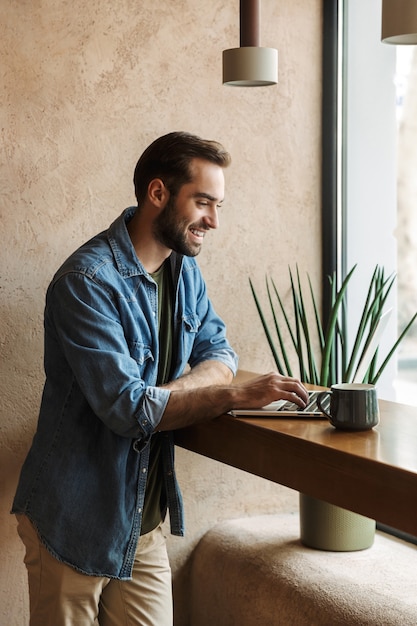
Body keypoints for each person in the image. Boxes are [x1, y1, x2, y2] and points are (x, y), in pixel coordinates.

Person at [12, 131, 308, 626]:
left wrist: (165, 395)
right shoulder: (85, 283)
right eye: (203, 202)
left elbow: (219, 352)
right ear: (157, 194)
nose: (213, 220)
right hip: (73, 521)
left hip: (141, 524)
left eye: (218, 204)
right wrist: (229, 396)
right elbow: (128, 412)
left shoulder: (183, 271)